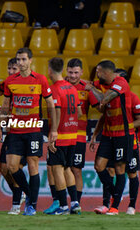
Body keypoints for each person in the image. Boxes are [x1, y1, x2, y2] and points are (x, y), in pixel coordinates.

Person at [0, 47, 58, 216]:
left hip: (33, 130)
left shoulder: (40, 80)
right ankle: (29, 195)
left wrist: (53, 129)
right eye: (18, 60)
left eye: (23, 59)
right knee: (12, 166)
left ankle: (32, 205)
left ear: (30, 60)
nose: (20, 63)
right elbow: (6, 106)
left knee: (32, 166)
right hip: (15, 130)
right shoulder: (10, 81)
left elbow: (51, 105)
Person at [90, 68, 140, 215]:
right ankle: (107, 203)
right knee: (108, 169)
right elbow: (104, 116)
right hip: (111, 137)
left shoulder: (133, 98)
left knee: (131, 172)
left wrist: (126, 126)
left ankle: (131, 205)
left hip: (128, 140)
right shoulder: (110, 96)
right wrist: (95, 134)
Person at [45, 57, 82, 215]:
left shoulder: (54, 89)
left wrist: (54, 132)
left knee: (57, 169)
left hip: (60, 135)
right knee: (67, 168)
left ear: (50, 70)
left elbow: (57, 110)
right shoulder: (73, 88)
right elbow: (79, 112)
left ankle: (63, 206)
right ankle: (74, 203)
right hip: (72, 134)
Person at [61, 58, 100, 207]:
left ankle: (76, 203)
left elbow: (99, 107)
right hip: (62, 134)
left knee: (76, 169)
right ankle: (61, 202)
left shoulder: (86, 88)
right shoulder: (60, 85)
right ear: (66, 71)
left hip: (79, 135)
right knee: (60, 169)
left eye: (76, 72)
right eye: (70, 72)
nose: (73, 76)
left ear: (82, 72)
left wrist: (94, 90)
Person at [0, 58, 27, 215]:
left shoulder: (27, 84)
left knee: (15, 168)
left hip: (25, 132)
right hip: (11, 132)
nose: (11, 71)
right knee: (4, 168)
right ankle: (21, 193)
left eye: (14, 68)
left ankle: (16, 203)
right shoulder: (8, 84)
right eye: (9, 68)